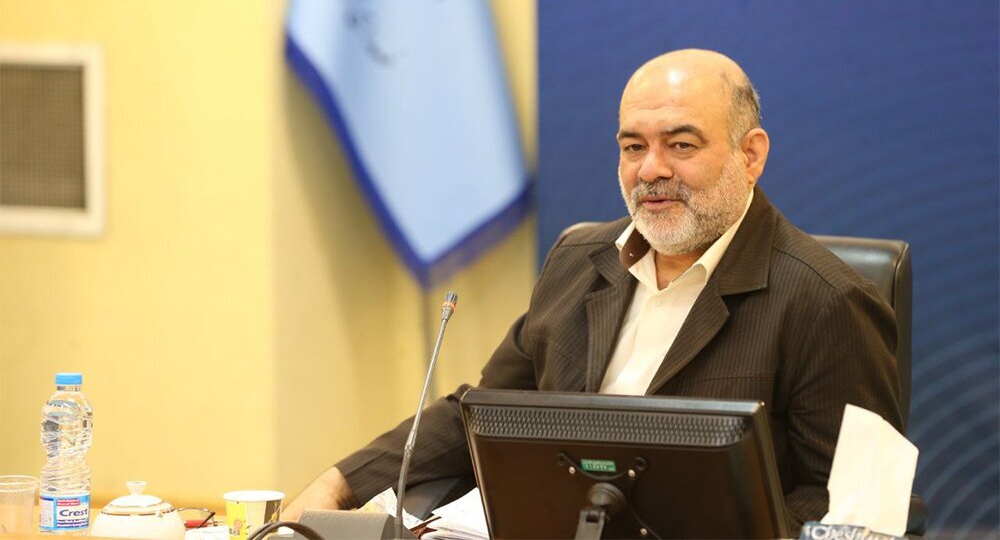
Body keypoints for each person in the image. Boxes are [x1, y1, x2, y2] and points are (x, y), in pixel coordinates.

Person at [282, 49, 902, 533]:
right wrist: (338, 484)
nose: (651, 169)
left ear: (751, 155)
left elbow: (852, 508)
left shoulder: (828, 301)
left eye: (681, 145)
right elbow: (481, 412)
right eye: (634, 147)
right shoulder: (578, 260)